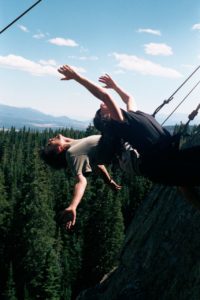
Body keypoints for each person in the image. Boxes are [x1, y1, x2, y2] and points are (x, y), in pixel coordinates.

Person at [57, 64, 200, 206]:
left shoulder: (131, 114)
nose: (101, 105)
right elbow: (105, 96)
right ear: (107, 119)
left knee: (184, 181)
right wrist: (77, 77)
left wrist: (115, 86)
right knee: (186, 177)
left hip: (167, 158)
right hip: (160, 164)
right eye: (100, 111)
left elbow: (129, 99)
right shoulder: (120, 123)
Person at [41, 134, 121, 230]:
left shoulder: (75, 143)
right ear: (59, 149)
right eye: (49, 145)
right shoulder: (72, 153)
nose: (49, 140)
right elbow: (81, 181)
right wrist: (73, 206)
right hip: (126, 149)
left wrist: (109, 181)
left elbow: (97, 165)